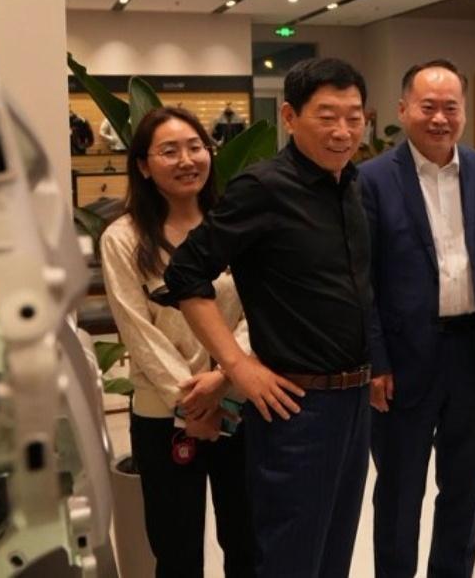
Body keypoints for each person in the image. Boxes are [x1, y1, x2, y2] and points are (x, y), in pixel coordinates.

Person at [162, 57, 373, 578]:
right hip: (296, 407)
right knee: (291, 559)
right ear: (289, 116)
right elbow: (186, 274)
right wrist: (236, 366)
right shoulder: (263, 187)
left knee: (334, 555)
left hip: (355, 402)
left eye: (354, 117)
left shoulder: (352, 185)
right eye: (327, 116)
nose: (343, 131)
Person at [359, 59, 475, 578]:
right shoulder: (371, 179)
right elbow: (362, 281)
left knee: (464, 487)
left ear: (464, 111)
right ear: (403, 108)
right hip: (403, 361)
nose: (439, 118)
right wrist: (376, 360)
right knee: (399, 491)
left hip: (473, 353)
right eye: (427, 106)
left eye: (450, 107)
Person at [99, 106, 253, 577]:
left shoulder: (236, 224)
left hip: (238, 402)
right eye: (169, 151)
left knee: (248, 542)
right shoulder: (122, 238)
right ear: (143, 166)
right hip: (163, 413)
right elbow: (136, 330)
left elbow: (260, 311)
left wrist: (224, 379)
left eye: (195, 147)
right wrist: (193, 404)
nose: (187, 160)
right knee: (176, 549)